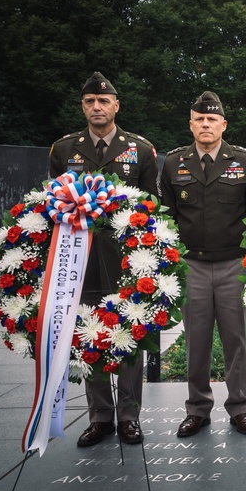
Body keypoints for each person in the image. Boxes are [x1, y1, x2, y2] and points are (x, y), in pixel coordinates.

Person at [50, 71, 158, 447]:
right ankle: (100, 417)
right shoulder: (63, 150)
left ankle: (129, 416)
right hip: (79, 261)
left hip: (126, 262)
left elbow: (152, 207)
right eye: (89, 102)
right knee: (88, 334)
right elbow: (52, 204)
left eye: (103, 101)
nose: (97, 107)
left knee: (128, 335)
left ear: (116, 105)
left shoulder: (140, 150)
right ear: (83, 106)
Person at [159, 91, 246, 437]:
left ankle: (239, 408)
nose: (206, 124)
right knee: (196, 341)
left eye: (212, 119)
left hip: (233, 263)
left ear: (223, 124)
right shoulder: (173, 163)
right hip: (192, 265)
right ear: (190, 124)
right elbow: (167, 217)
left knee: (236, 340)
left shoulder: (245, 162)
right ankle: (198, 408)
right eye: (199, 119)